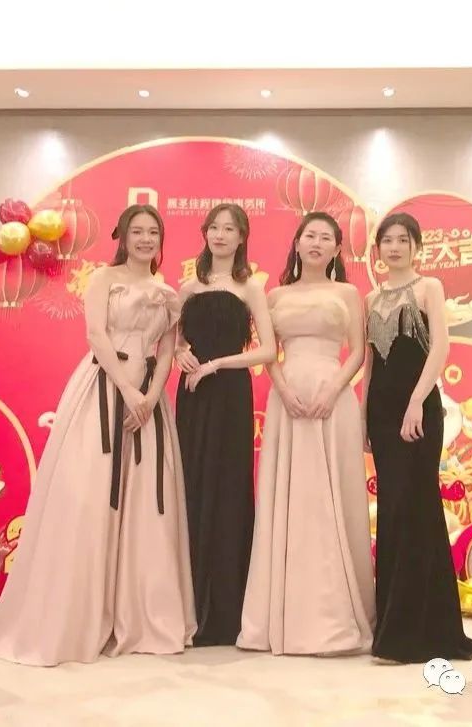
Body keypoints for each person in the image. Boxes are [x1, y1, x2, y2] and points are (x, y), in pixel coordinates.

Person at [0, 203, 196, 666]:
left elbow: (166, 351)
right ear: (123, 236)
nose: (146, 239)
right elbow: (97, 337)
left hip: (149, 402)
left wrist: (149, 397)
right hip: (102, 387)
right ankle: (77, 615)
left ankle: (139, 617)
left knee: (145, 505)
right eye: (137, 231)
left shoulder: (167, 293)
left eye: (153, 232)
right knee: (89, 497)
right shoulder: (104, 278)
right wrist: (127, 391)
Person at [237, 211, 374, 656]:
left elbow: (358, 353)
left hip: (334, 398)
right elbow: (268, 352)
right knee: (290, 497)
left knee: (333, 496)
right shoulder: (275, 295)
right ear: (296, 243)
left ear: (337, 248)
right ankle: (283, 615)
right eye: (309, 235)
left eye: (326, 237)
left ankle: (337, 614)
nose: (316, 243)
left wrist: (334, 390)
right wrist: (282, 389)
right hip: (288, 400)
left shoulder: (348, 293)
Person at [363, 212, 472, 663]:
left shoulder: (428, 287)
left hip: (418, 409)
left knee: (418, 509)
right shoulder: (370, 298)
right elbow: (369, 363)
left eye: (403, 240)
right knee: (393, 512)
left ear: (417, 246)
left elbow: (440, 348)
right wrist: (364, 418)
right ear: (378, 248)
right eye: (387, 240)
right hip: (382, 414)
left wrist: (416, 401)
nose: (394, 247)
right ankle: (396, 627)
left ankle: (421, 632)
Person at [175, 203, 277, 646]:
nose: (219, 235)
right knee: (192, 486)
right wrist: (180, 353)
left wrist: (216, 363)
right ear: (205, 233)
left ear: (242, 237)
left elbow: (267, 350)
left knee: (230, 489)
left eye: (229, 229)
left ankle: (228, 613)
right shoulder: (187, 286)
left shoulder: (251, 287)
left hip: (231, 392)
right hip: (193, 395)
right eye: (213, 227)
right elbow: (175, 340)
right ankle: (190, 606)